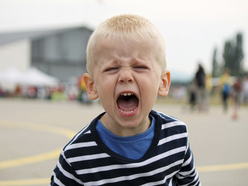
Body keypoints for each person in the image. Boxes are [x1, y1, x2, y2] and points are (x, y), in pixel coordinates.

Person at [50, 14, 200, 186]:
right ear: (92, 86)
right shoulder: (76, 157)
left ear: (163, 83)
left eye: (140, 67)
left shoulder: (176, 137)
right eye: (112, 68)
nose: (126, 76)